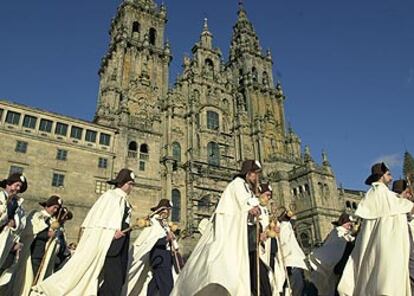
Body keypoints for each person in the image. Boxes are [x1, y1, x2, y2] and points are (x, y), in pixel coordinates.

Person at [32, 168, 135, 296]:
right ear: (121, 183)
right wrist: (111, 234)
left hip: (120, 244)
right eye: (129, 184)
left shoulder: (123, 200)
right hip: (111, 244)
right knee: (113, 280)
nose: (131, 187)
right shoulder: (110, 197)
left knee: (117, 280)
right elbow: (99, 223)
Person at [171, 160, 262, 296]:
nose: (257, 178)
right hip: (231, 236)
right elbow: (245, 202)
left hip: (240, 234)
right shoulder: (238, 184)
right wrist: (252, 208)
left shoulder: (244, 186)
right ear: (249, 174)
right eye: (255, 174)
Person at [338, 163, 414, 296]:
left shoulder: (373, 195)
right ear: (381, 176)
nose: (391, 178)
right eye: (388, 174)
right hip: (387, 250)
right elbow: (406, 208)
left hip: (378, 250)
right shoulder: (382, 193)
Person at [7, 195, 63, 296]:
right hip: (32, 253)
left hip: (42, 256)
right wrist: (47, 234)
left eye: (57, 209)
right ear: (48, 205)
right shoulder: (36, 215)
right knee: (27, 279)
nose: (55, 210)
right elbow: (30, 231)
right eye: (54, 207)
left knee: (37, 281)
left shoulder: (52, 221)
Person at [124, 199, 179, 296]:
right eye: (166, 210)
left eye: (168, 210)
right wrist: (166, 239)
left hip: (166, 256)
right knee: (167, 285)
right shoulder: (153, 223)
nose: (167, 213)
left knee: (155, 284)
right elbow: (150, 241)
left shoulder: (164, 224)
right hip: (160, 256)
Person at [308, 213, 355, 296]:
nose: (350, 226)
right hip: (337, 262)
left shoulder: (341, 232)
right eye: (349, 224)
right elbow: (340, 243)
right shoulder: (338, 231)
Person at [0, 173, 28, 285]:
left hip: (7, 242)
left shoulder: (18, 205)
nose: (17, 189)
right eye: (16, 185)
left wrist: (15, 222)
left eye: (20, 187)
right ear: (8, 184)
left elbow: (21, 224)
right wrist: (6, 218)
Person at [278, 208, 308, 296]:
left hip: (294, 263)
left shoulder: (288, 228)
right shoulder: (285, 227)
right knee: (292, 288)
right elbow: (285, 244)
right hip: (290, 264)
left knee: (297, 287)